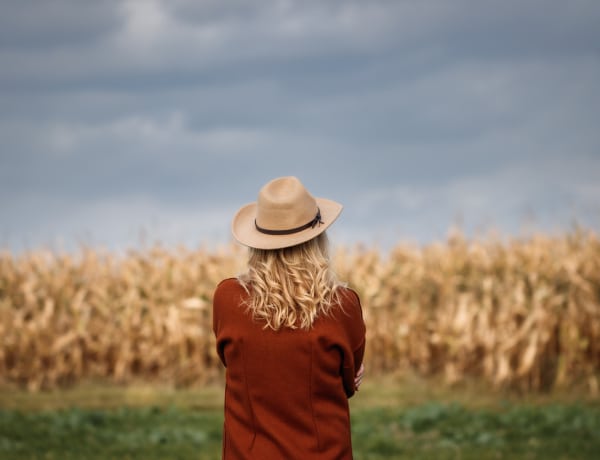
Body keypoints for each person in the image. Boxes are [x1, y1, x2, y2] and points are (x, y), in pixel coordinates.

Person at [212, 176, 366, 459]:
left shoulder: (227, 299)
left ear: (257, 242)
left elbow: (231, 359)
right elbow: (349, 381)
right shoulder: (343, 305)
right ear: (318, 239)